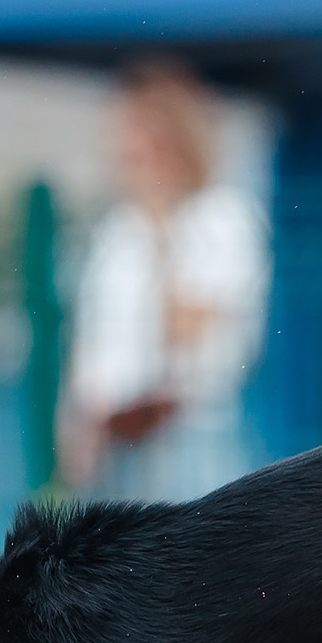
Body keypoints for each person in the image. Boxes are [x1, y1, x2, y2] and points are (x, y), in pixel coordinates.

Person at [59, 59, 268, 500]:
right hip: (114, 444)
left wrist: (162, 235)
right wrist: (82, 421)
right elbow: (95, 343)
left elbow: (188, 333)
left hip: (189, 437)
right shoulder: (118, 232)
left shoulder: (222, 218)